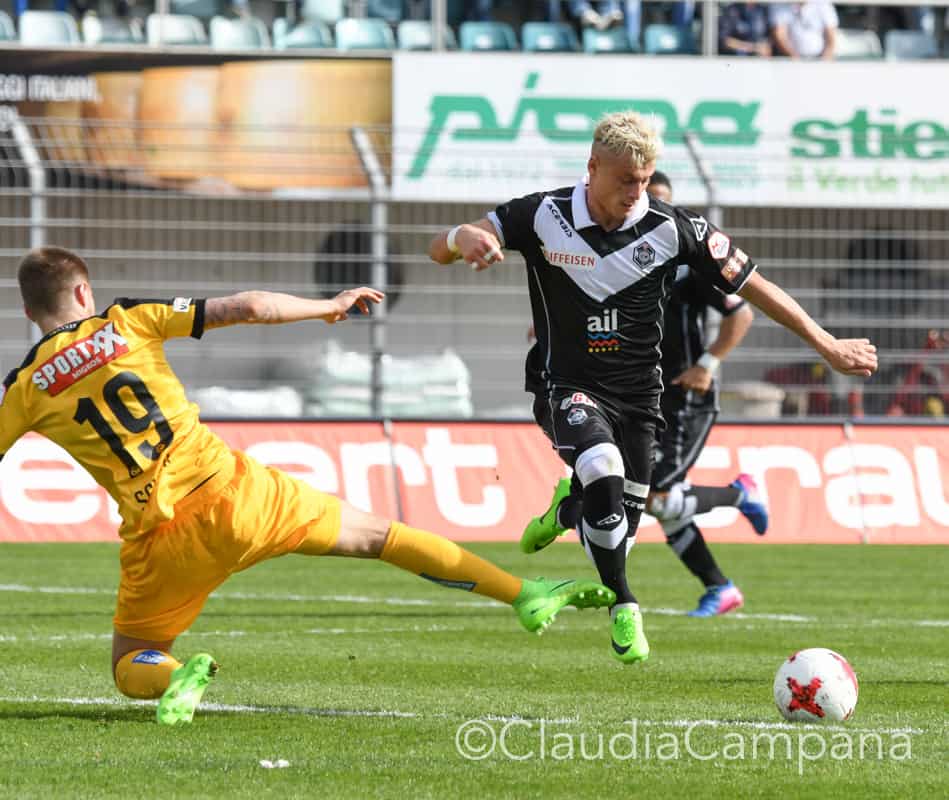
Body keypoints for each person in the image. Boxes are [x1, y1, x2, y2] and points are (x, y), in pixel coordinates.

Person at [0, 247, 615, 725]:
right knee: (380, 536)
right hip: (240, 495)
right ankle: (523, 593)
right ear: (83, 291)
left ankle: (176, 675)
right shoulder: (129, 319)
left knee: (130, 658)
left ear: (30, 313)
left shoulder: (24, 387)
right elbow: (247, 306)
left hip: (162, 540)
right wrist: (326, 307)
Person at [428, 111, 877, 664]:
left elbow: (755, 287)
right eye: (625, 180)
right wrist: (463, 237)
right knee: (600, 466)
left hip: (642, 400)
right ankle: (625, 604)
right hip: (565, 383)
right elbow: (440, 248)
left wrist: (826, 343)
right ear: (592, 167)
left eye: (644, 181)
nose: (635, 193)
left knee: (618, 532)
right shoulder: (542, 214)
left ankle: (568, 510)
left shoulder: (674, 228)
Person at [522, 170, 766, 619]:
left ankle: (738, 495)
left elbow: (742, 314)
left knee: (654, 498)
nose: (640, 202)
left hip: (682, 394)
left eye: (655, 196)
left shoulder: (683, 261)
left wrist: (707, 365)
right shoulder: (607, 255)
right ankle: (720, 586)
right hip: (627, 392)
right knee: (627, 496)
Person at [770, 0, 839, 60]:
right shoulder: (780, 5)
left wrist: (823, 62)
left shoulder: (823, 4)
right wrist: (795, 60)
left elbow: (831, 38)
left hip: (820, 59)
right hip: (790, 61)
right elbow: (780, 36)